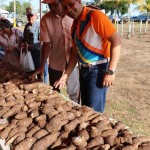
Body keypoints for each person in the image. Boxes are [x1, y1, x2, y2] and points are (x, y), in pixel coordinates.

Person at [55, 1, 121, 112]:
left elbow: (116, 41)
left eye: (71, 4)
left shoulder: (96, 16)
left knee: (94, 113)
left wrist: (111, 71)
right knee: (86, 109)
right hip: (83, 70)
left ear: (79, 1)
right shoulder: (75, 25)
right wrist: (66, 75)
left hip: (98, 71)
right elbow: (75, 53)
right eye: (65, 8)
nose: (69, 9)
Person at [31, 0, 79, 103]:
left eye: (55, 4)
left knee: (74, 93)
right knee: (54, 92)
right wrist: (42, 65)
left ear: (62, 2)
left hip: (74, 61)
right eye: (49, 5)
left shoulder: (73, 16)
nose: (52, 8)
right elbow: (46, 45)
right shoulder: (45, 19)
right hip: (55, 62)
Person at [22, 7, 41, 78]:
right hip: (28, 54)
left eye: (31, 15)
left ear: (36, 16)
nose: (30, 17)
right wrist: (23, 43)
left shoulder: (39, 26)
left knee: (39, 73)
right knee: (29, 73)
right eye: (28, 16)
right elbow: (24, 38)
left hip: (37, 54)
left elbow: (42, 43)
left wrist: (32, 46)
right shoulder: (27, 26)